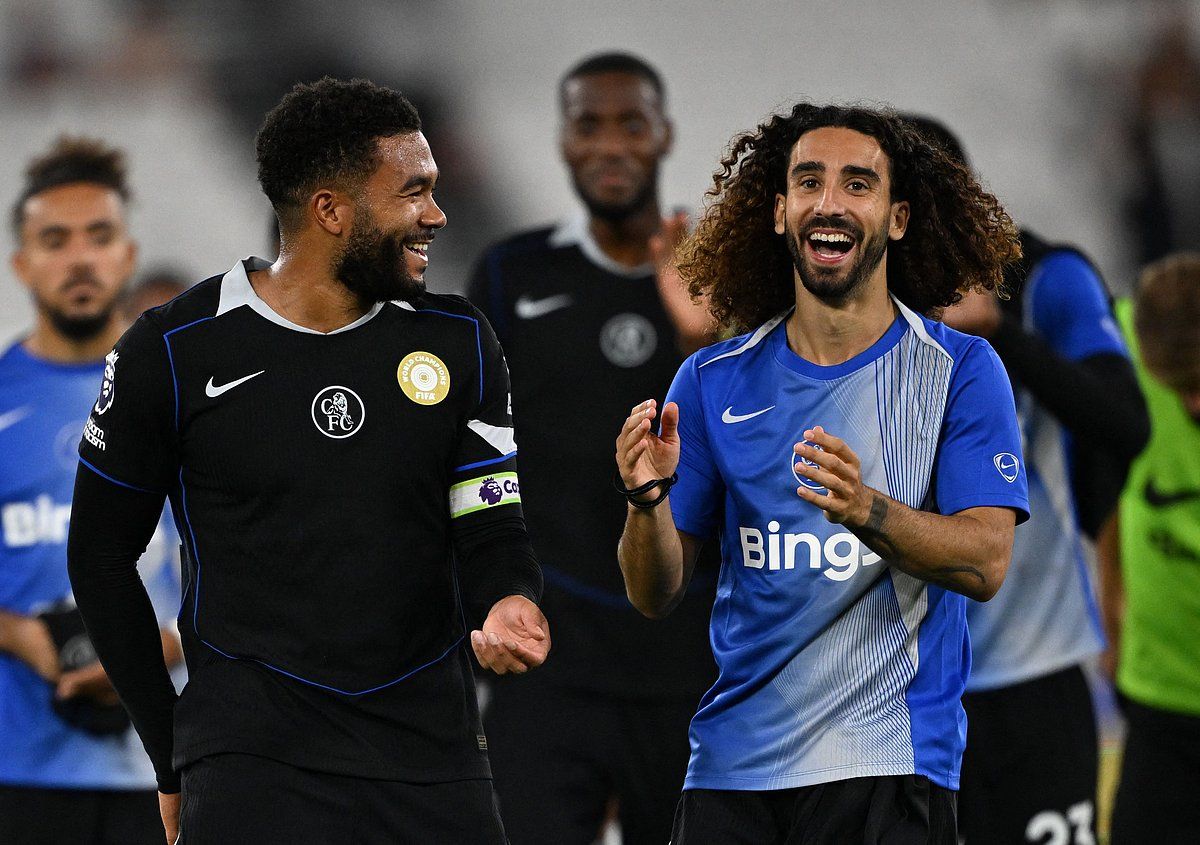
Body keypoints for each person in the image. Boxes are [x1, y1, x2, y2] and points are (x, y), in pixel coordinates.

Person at [66, 78, 549, 844]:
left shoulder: (460, 342)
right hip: (252, 761)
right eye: (413, 192)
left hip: (432, 758)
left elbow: (491, 523)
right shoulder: (173, 349)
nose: (437, 214)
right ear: (331, 211)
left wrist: (508, 599)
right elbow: (98, 553)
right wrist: (171, 751)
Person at [615, 103, 1030, 844]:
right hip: (731, 772)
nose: (829, 202)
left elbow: (985, 560)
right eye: (809, 182)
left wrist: (867, 509)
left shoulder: (959, 371)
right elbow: (654, 593)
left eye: (857, 184)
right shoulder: (710, 380)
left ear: (897, 218)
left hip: (887, 765)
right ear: (780, 211)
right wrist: (645, 502)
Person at [467, 52, 715, 844]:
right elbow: (471, 456)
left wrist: (702, 340)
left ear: (664, 135)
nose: (610, 145)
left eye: (631, 125)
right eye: (589, 125)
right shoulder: (511, 272)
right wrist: (481, 597)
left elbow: (762, 442)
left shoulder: (718, 276)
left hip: (691, 667)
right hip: (550, 664)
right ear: (563, 141)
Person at [917, 116, 1150, 845]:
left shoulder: (1047, 278)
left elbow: (1126, 421)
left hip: (1034, 676)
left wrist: (1003, 335)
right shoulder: (848, 301)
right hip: (900, 692)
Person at [0, 137, 183, 844]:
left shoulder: (184, 394)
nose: (80, 258)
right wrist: (21, 636)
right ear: (22, 263)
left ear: (127, 255)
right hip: (20, 775)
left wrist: (159, 646)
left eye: (99, 236)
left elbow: (253, 560)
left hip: (165, 770)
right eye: (55, 240)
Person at [1103, 253, 1200, 843]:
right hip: (1157, 695)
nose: (1195, 405)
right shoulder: (1119, 345)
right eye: (1180, 386)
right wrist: (1110, 613)